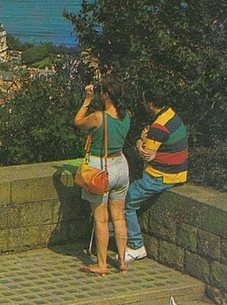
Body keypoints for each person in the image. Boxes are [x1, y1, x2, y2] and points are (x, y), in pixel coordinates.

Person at [122, 89, 188, 263]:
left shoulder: (158, 127)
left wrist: (139, 141)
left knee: (126, 201)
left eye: (144, 101)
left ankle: (136, 245)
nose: (143, 104)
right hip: (177, 172)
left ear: (151, 104)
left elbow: (145, 154)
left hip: (161, 176)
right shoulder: (171, 115)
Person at [74, 80, 132, 275]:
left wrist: (87, 99)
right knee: (118, 216)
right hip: (121, 166)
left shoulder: (99, 117)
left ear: (106, 94)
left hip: (101, 168)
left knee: (101, 219)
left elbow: (78, 122)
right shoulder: (127, 116)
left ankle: (101, 264)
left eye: (101, 92)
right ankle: (122, 260)